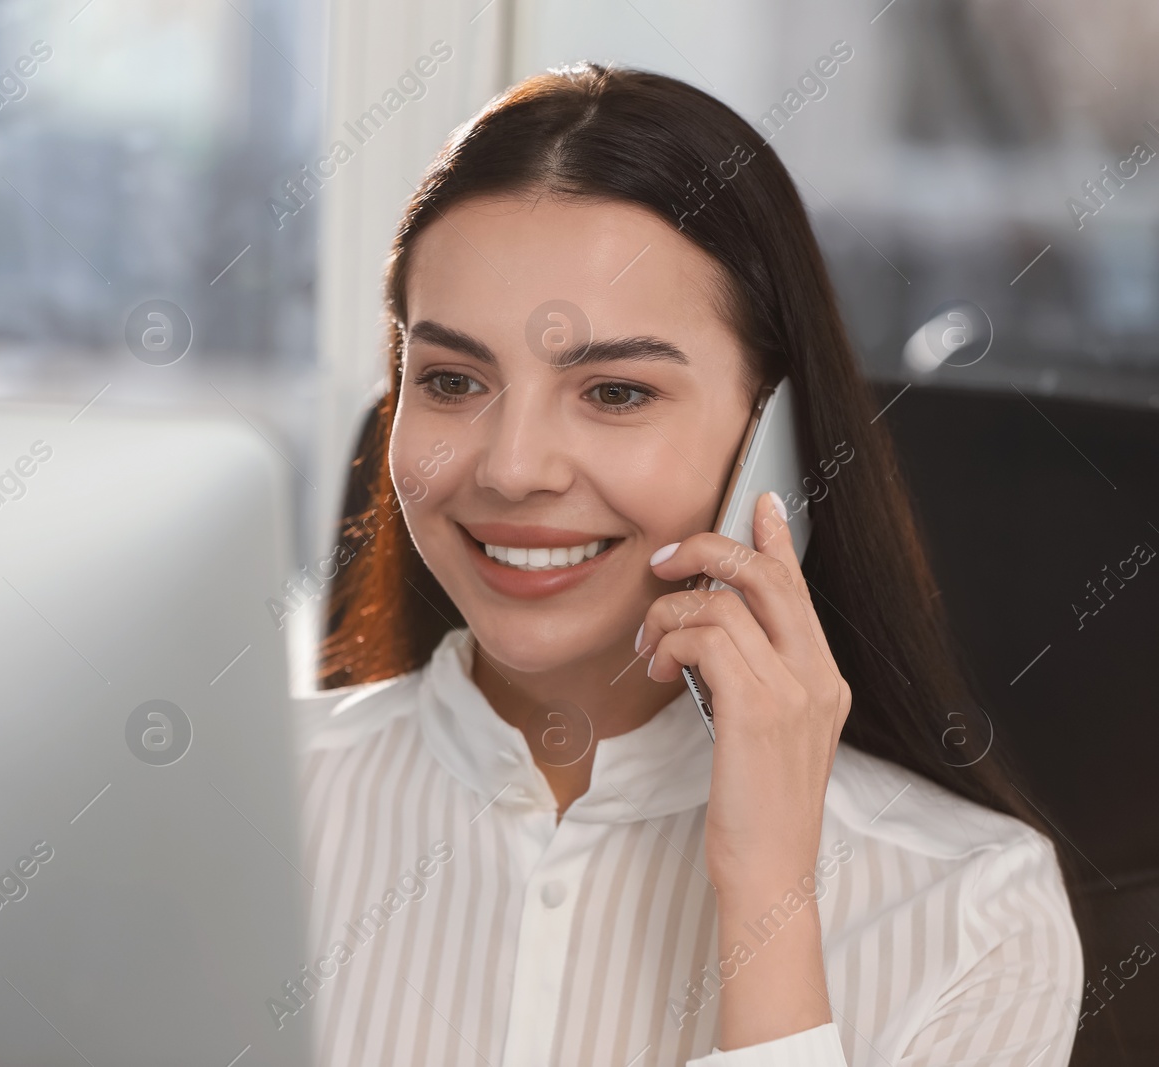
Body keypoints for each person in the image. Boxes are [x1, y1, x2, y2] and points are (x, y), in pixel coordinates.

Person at [294, 65, 1082, 1066]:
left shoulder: (970, 911)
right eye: (450, 379)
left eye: (615, 392)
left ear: (772, 435)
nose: (512, 467)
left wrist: (768, 896)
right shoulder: (230, 819)